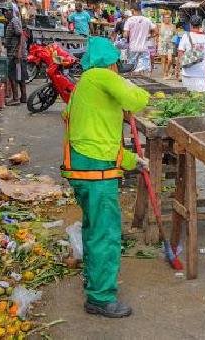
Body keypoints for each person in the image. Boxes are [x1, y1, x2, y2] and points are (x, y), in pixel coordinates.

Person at [61, 36, 150, 318]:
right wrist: (128, 84)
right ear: (111, 61)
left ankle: (93, 279)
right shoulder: (102, 76)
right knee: (106, 234)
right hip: (96, 173)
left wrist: (134, 160)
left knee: (92, 228)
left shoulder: (83, 86)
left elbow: (99, 137)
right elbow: (138, 100)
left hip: (82, 168)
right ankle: (100, 298)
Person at [177, 15, 205, 92]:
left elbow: (180, 53)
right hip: (201, 73)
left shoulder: (185, 36)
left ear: (190, 25)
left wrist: (179, 68)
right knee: (201, 97)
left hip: (187, 73)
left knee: (188, 96)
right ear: (200, 25)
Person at [3, 3, 27, 106]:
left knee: (13, 76)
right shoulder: (13, 21)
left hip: (15, 55)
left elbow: (21, 35)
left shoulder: (14, 21)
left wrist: (18, 52)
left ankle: (16, 98)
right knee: (19, 75)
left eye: (6, 11)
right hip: (17, 54)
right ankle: (23, 97)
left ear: (11, 11)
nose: (4, 13)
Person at [123, 3, 157, 75]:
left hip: (133, 47)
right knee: (143, 67)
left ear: (133, 10)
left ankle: (132, 82)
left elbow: (125, 35)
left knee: (131, 66)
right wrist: (149, 36)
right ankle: (143, 81)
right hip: (144, 47)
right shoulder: (147, 20)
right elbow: (156, 31)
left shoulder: (129, 20)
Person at [158, 13, 175, 79]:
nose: (167, 19)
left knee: (170, 60)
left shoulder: (173, 26)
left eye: (168, 17)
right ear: (163, 18)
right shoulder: (160, 25)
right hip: (162, 44)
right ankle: (165, 73)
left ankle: (167, 71)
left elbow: (174, 35)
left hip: (170, 44)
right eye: (166, 17)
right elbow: (157, 34)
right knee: (163, 60)